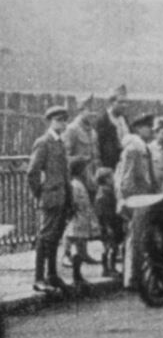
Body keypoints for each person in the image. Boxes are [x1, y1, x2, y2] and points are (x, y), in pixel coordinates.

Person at [27, 106, 73, 293]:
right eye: (59, 120)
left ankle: (52, 275)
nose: (63, 123)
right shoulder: (44, 142)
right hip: (51, 197)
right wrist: (40, 193)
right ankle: (39, 278)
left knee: (55, 237)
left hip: (62, 197)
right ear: (51, 121)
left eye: (64, 120)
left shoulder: (60, 143)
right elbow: (32, 172)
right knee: (45, 237)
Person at [115, 114, 159, 290]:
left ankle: (136, 276)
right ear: (139, 129)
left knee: (141, 238)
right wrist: (129, 201)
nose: (151, 131)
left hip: (147, 198)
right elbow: (127, 179)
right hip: (139, 199)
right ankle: (132, 278)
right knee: (135, 238)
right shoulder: (135, 149)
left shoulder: (143, 148)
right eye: (149, 127)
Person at [61, 95, 100, 267]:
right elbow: (65, 156)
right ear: (81, 110)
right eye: (88, 110)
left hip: (90, 178)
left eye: (93, 111)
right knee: (73, 218)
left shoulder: (92, 131)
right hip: (76, 179)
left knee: (85, 217)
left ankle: (82, 252)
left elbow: (97, 156)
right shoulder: (72, 130)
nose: (92, 114)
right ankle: (67, 253)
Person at [63, 158, 99, 292]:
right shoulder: (75, 185)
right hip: (77, 220)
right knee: (76, 248)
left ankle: (78, 276)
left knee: (79, 247)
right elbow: (73, 203)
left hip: (82, 220)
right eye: (85, 169)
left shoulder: (80, 184)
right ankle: (76, 276)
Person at [94, 167, 123, 278]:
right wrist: (107, 226)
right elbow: (103, 212)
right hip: (108, 224)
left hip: (110, 223)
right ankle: (109, 268)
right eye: (111, 177)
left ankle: (109, 268)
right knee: (110, 247)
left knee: (110, 247)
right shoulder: (104, 193)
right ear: (106, 179)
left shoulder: (106, 191)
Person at [97, 85, 129, 169]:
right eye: (120, 102)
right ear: (111, 102)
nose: (124, 105)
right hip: (109, 166)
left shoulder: (125, 119)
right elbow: (99, 147)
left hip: (125, 164)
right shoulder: (103, 121)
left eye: (126, 102)